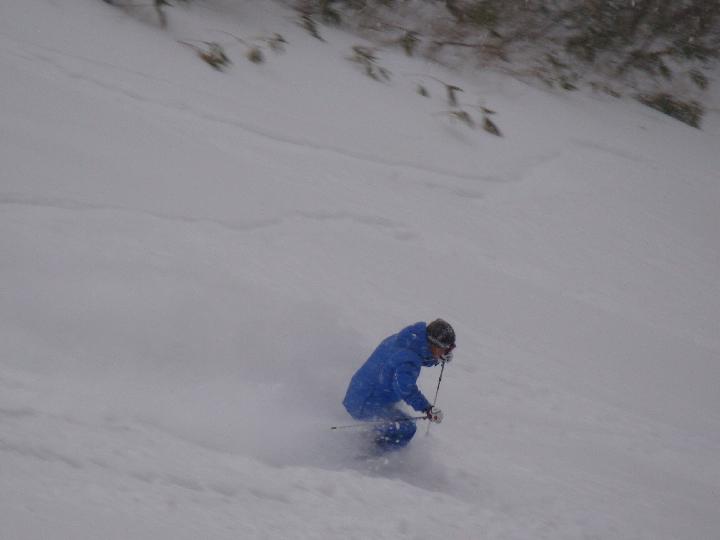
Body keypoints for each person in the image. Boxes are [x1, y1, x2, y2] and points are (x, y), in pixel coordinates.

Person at [342, 319, 456, 451]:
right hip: (365, 402)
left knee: (401, 422)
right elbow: (405, 389)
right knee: (406, 428)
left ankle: (371, 441)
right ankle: (374, 456)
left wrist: (437, 358)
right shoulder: (408, 359)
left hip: (361, 393)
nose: (447, 352)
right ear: (435, 345)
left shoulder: (409, 340)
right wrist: (427, 408)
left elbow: (420, 355)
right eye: (446, 349)